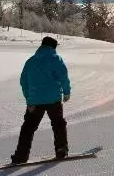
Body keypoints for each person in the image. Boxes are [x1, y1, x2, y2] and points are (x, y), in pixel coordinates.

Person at [11, 36, 71, 164]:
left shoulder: (30, 61)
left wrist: (29, 100)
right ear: (53, 47)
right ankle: (61, 149)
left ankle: (20, 156)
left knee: (28, 127)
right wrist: (66, 92)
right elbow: (63, 77)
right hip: (53, 99)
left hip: (35, 101)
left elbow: (24, 82)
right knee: (58, 124)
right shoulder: (56, 59)